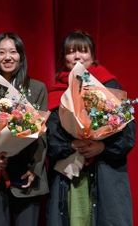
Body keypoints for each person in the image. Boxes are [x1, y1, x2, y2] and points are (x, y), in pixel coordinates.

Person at [46, 30, 136, 226]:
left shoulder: (109, 85)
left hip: (106, 175)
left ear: (92, 55)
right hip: (68, 176)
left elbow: (128, 135)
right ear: (64, 57)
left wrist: (102, 147)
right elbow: (50, 137)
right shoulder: (56, 91)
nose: (77, 56)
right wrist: (72, 144)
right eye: (71, 51)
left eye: (83, 51)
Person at [0, 32, 49, 226]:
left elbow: (42, 134)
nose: (7, 57)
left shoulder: (37, 89)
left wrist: (34, 169)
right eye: (1, 52)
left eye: (13, 52)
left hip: (25, 177)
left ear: (21, 56)